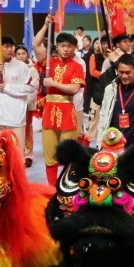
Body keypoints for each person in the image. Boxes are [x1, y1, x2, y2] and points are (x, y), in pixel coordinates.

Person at [0, 36, 36, 161]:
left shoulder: (22, 67)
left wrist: (8, 87)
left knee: (16, 157)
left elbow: (31, 88)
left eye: (12, 46)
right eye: (6, 46)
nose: (10, 49)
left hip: (16, 118)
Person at [40, 32, 86, 184]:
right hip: (49, 111)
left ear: (75, 48)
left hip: (67, 111)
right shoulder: (49, 63)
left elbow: (74, 88)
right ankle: (51, 188)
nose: (65, 49)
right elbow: (35, 45)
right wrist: (46, 25)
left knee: (68, 153)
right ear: (57, 47)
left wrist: (53, 83)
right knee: (49, 154)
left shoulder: (77, 66)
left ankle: (67, 186)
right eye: (62, 46)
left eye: (69, 46)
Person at [95, 53, 134, 150]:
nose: (124, 76)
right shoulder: (110, 89)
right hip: (112, 144)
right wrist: (99, 145)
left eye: (128, 72)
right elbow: (103, 118)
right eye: (121, 72)